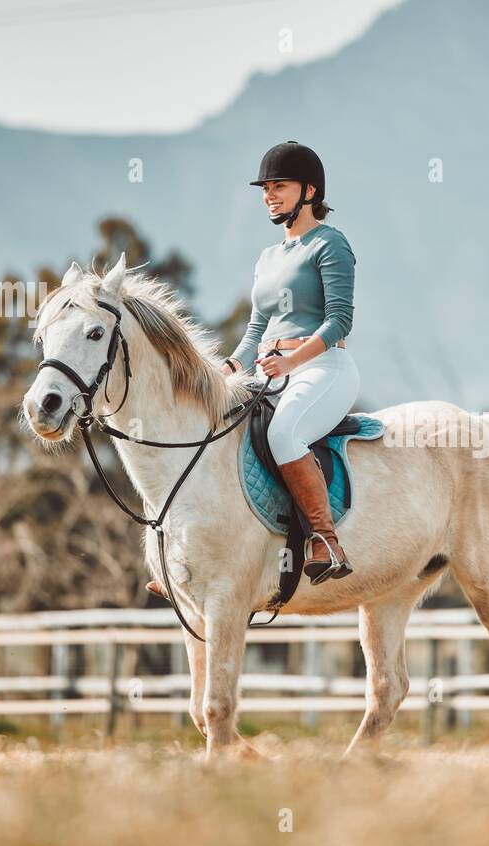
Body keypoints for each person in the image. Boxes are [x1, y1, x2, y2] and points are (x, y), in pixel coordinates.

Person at [148, 141, 359, 599]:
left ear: (309, 190)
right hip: (268, 370)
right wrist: (226, 368)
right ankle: (191, 552)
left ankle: (326, 540)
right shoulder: (267, 258)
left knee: (284, 434)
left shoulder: (331, 243)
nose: (269, 195)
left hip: (324, 369)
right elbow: (255, 330)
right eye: (265, 188)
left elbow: (339, 319)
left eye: (278, 186)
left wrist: (292, 360)